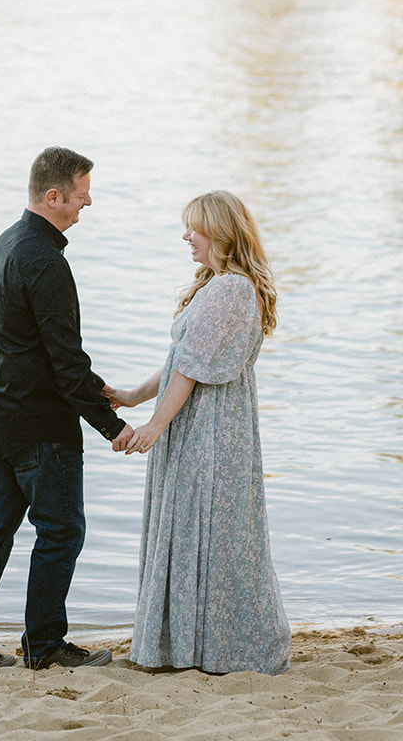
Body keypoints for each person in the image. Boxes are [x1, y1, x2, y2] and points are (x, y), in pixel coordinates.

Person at [0, 147, 133, 670]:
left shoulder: (9, 242)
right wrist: (112, 425)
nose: (87, 203)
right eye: (80, 194)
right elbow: (64, 361)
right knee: (62, 531)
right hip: (38, 428)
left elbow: (22, 345)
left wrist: (100, 391)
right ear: (54, 196)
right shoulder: (45, 261)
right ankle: (45, 645)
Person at [105, 190, 290, 676]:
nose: (186, 236)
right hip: (212, 422)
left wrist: (153, 426)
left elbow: (188, 370)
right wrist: (130, 397)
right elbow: (178, 363)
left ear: (221, 233)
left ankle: (201, 648)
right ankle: (199, 643)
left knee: (199, 529)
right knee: (211, 532)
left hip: (207, 428)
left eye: (194, 228)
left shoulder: (230, 289)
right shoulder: (224, 286)